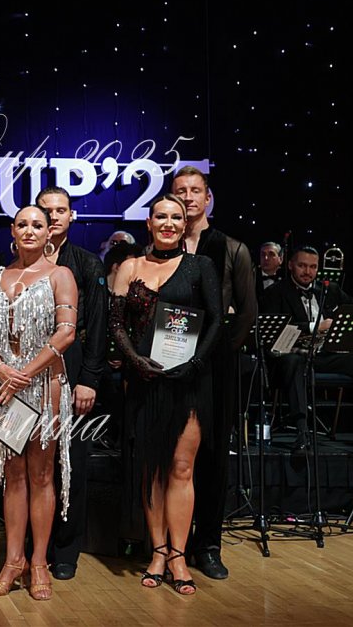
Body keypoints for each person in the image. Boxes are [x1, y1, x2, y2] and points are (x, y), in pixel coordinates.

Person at [108, 194, 221, 596]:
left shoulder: (200, 266)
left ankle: (178, 555)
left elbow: (216, 321)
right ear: (149, 222)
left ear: (184, 224)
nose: (169, 223)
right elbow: (116, 324)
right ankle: (157, 553)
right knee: (150, 470)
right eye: (161, 216)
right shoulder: (130, 267)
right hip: (144, 381)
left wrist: (196, 363)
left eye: (176, 217)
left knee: (181, 468)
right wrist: (135, 361)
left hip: (188, 381)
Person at [0, 204, 79, 600]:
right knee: (12, 473)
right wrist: (1, 368)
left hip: (44, 385)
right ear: (12, 232)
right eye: (23, 224)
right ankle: (12, 560)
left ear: (49, 232)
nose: (30, 230)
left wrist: (26, 373)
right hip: (7, 388)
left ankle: (38, 563)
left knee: (41, 474)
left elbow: (66, 333)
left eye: (38, 224)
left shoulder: (60, 275)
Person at [172, 165, 256, 581]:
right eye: (180, 190)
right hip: (170, 362)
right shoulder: (163, 241)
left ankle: (208, 545)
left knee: (212, 456)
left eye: (195, 190)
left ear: (208, 198)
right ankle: (171, 546)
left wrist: (216, 353)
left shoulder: (233, 248)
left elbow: (247, 314)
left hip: (217, 366)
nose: (188, 197)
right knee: (172, 456)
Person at [36, 186, 107, 582]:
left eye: (61, 210)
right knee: (33, 464)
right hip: (30, 375)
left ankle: (65, 551)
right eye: (46, 210)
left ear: (71, 216)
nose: (54, 216)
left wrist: (89, 380)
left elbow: (96, 327)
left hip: (74, 371)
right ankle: (34, 548)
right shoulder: (21, 262)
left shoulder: (86, 263)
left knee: (71, 465)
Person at [260, 246, 353, 452]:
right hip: (293, 357)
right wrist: (314, 327)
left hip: (326, 355)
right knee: (293, 362)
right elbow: (272, 329)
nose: (308, 272)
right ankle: (302, 431)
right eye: (302, 266)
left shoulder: (330, 290)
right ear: (290, 265)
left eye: (313, 267)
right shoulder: (275, 292)